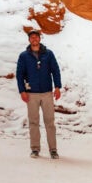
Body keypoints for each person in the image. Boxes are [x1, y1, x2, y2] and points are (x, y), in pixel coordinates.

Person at [16, 30, 62, 159]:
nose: (34, 39)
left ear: (40, 39)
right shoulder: (24, 56)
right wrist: (22, 91)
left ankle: (53, 150)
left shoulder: (48, 54)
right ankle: (35, 149)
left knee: (50, 122)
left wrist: (57, 87)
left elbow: (55, 70)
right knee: (33, 122)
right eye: (32, 37)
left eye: (36, 37)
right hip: (32, 94)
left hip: (47, 93)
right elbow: (19, 75)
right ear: (29, 40)